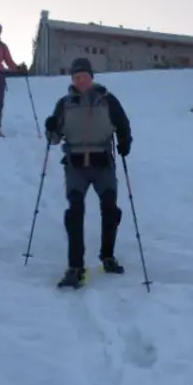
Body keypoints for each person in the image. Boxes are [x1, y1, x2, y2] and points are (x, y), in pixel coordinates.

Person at [43, 57, 133, 288]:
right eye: (76, 77)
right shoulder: (64, 104)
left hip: (103, 163)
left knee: (111, 210)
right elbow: (53, 140)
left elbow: (122, 123)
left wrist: (125, 141)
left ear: (92, 77)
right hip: (75, 166)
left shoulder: (107, 100)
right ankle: (75, 267)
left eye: (84, 76)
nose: (81, 80)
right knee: (75, 212)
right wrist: (51, 127)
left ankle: (108, 257)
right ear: (72, 79)